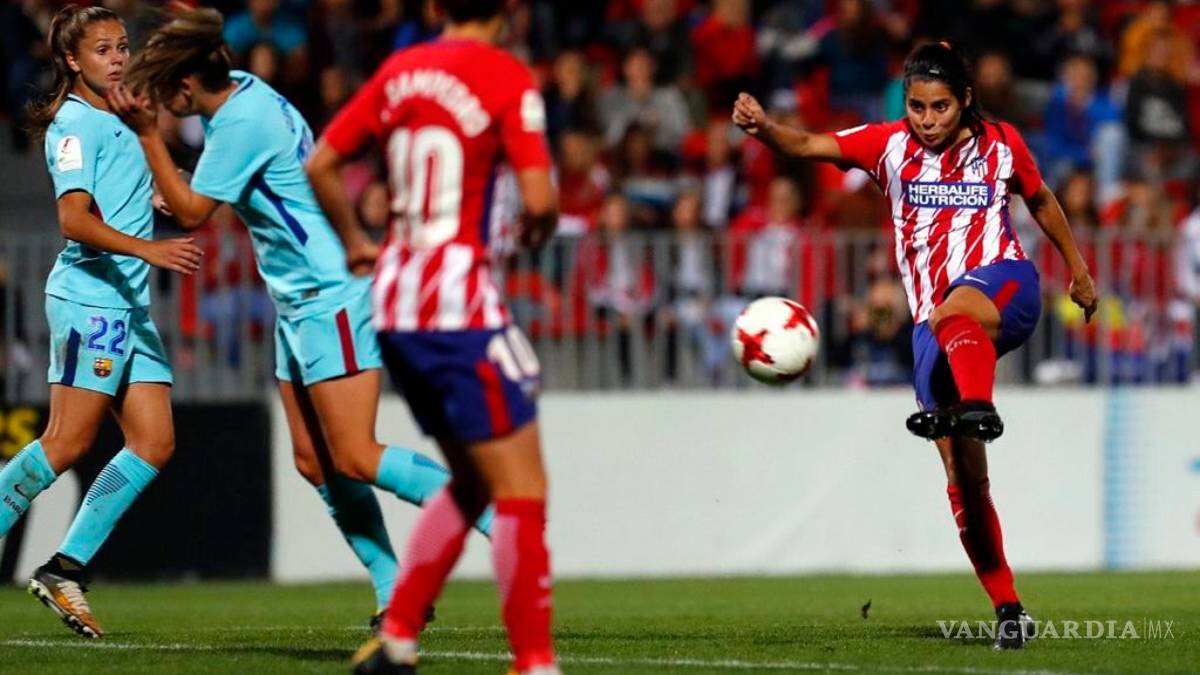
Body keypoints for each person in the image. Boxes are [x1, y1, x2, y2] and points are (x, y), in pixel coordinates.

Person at [108, 7, 491, 626]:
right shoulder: (248, 94)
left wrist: (150, 139)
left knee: (356, 455)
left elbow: (194, 214)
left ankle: (489, 509)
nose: (164, 105)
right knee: (314, 461)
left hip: (328, 294)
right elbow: (223, 191)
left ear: (187, 84)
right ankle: (395, 590)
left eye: (164, 90)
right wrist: (177, 175)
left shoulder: (240, 121)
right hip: (298, 302)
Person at [732, 41, 1098, 650]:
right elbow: (809, 145)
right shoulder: (887, 145)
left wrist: (1078, 269)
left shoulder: (1001, 143)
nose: (926, 120)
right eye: (917, 106)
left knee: (956, 312)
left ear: (965, 100)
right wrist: (765, 128)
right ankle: (1009, 608)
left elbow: (1038, 197)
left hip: (1004, 285)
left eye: (940, 107)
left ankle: (978, 406)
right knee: (965, 478)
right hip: (935, 330)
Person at [304, 0, 560, 672]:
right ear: (508, 10)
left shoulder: (400, 71)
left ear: (437, 6)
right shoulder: (506, 76)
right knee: (523, 488)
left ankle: (398, 637)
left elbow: (321, 164)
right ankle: (536, 662)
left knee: (473, 483)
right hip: (458, 307)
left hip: (394, 304)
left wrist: (355, 241)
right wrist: (537, 228)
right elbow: (539, 201)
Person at [0, 5, 204, 638]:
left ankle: (64, 569)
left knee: (154, 442)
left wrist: (158, 192)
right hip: (91, 299)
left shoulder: (120, 114)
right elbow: (73, 219)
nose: (117, 58)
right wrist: (150, 248)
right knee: (66, 442)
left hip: (127, 306)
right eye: (102, 50)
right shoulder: (72, 125)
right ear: (71, 59)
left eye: (121, 47)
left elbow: (126, 191)